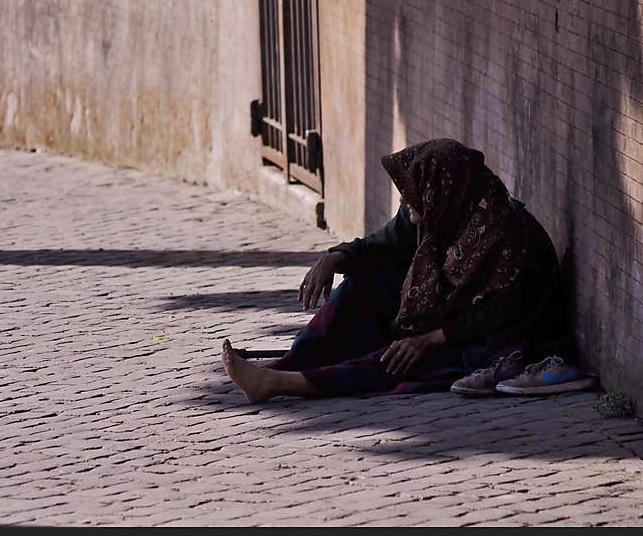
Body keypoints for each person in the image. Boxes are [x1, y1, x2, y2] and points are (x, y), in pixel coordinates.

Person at [222, 138, 567, 404]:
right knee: (366, 283)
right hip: (446, 312)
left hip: (493, 336)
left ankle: (284, 384)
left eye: (414, 203)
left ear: (441, 192)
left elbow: (500, 313)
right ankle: (290, 363)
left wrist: (431, 338)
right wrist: (334, 258)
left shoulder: (506, 236)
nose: (411, 213)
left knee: (407, 357)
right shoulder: (440, 206)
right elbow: (382, 244)